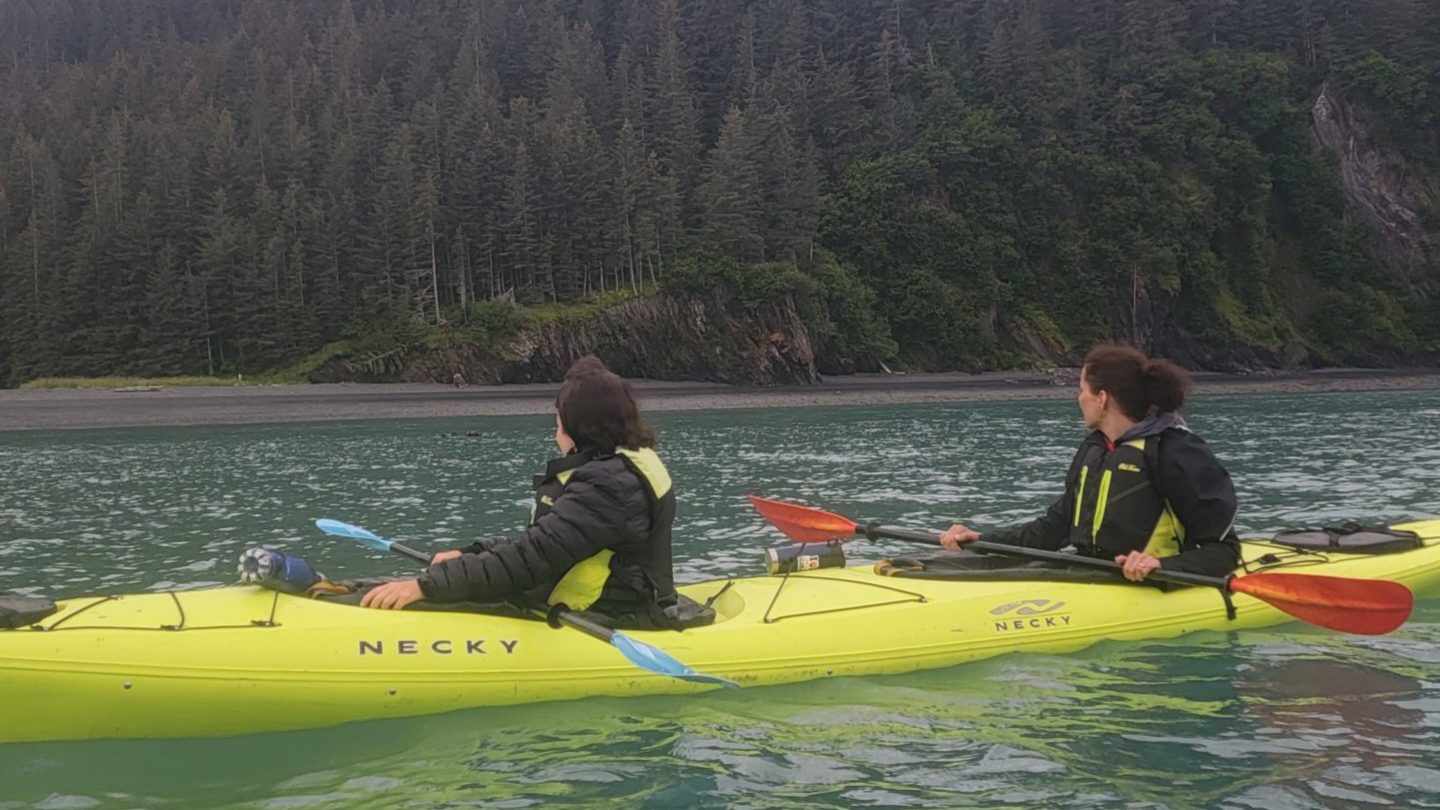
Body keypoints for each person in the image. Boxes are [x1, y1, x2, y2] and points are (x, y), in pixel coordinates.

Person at [361, 356, 682, 626]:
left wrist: (427, 586)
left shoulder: (609, 486)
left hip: (613, 617)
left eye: (559, 425)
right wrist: (471, 552)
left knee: (429, 597)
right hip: (608, 605)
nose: (556, 435)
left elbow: (532, 558)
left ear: (580, 428)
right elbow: (548, 542)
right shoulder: (623, 467)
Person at [940, 344, 1240, 581]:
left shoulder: (1176, 451)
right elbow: (1055, 528)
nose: (1078, 398)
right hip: (1091, 574)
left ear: (1102, 398)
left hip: (1151, 581)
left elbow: (1224, 550)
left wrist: (1162, 564)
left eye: (1082, 390)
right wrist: (982, 538)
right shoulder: (1096, 448)